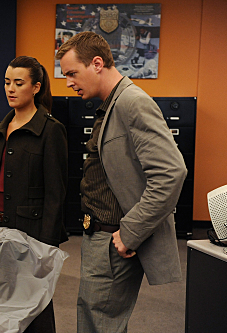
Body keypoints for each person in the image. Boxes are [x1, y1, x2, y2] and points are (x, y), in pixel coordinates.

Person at [55, 31, 187, 332]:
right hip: (100, 236)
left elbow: (171, 174)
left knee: (98, 324)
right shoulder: (112, 104)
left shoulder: (132, 102)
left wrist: (130, 232)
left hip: (115, 241)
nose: (69, 82)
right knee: (96, 320)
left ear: (97, 63)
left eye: (72, 73)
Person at [0, 56, 68, 333]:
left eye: (19, 83)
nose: (11, 89)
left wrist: (48, 247)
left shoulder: (51, 130)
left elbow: (56, 192)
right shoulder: (0, 129)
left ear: (36, 87)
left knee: (34, 302)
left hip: (30, 230)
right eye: (7, 83)